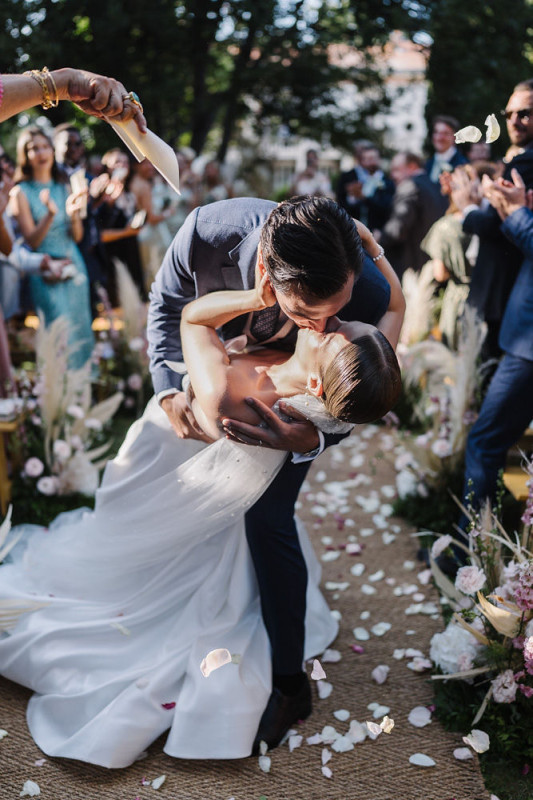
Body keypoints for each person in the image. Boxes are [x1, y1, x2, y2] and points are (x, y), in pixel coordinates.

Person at [0, 268, 402, 767]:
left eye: (338, 332)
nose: (334, 319)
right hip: (201, 472)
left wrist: (255, 296)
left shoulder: (248, 395)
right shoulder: (340, 387)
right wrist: (372, 249)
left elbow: (191, 319)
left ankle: (281, 676)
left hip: (167, 457)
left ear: (318, 381)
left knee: (174, 545)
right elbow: (397, 309)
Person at [148, 195, 405, 752]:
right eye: (310, 313)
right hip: (211, 404)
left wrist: (312, 437)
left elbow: (358, 387)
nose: (326, 322)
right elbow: (169, 305)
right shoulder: (206, 233)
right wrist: (169, 389)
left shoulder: (360, 295)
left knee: (268, 522)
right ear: (268, 273)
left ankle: (290, 683)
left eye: (334, 314)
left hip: (268, 414)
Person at [451, 169, 533, 568]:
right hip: (520, 339)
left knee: (484, 442)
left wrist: (516, 212)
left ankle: (474, 554)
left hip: (528, 349)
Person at [453, 79, 533, 361]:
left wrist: (467, 208)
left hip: (504, 290)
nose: (514, 121)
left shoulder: (525, 164)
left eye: (524, 113)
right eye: (509, 113)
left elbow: (492, 225)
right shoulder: (519, 160)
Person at [8, 127, 94, 368]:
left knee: (81, 327)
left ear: (52, 150)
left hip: (73, 263)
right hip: (45, 270)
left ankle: (86, 393)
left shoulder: (64, 186)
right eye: (33, 148)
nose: (40, 152)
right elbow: (32, 241)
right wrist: (50, 214)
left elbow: (77, 236)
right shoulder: (20, 192)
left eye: (44, 146)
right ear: (25, 155)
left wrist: (75, 216)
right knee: (58, 333)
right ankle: (59, 395)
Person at [380, 151, 448, 278]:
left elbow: (397, 228)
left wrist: (377, 239)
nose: (392, 176)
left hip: (414, 265)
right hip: (435, 262)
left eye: (396, 169)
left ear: (411, 166)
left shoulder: (408, 185)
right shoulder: (434, 185)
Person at [336, 144, 394, 235]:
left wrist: (364, 198)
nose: (371, 163)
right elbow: (342, 204)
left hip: (377, 231)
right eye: (367, 159)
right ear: (362, 161)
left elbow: (387, 206)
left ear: (379, 159)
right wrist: (352, 197)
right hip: (354, 230)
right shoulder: (355, 179)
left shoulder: (387, 182)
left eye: (373, 158)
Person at [425, 115, 468, 184]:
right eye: (436, 132)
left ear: (455, 137)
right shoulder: (427, 164)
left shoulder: (463, 164)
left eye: (445, 133)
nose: (440, 138)